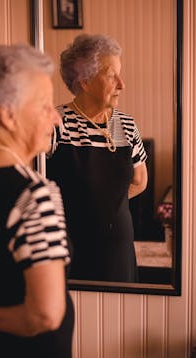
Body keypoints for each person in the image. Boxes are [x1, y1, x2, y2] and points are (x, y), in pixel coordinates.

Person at [0, 43, 74, 357]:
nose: (56, 118)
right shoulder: (34, 194)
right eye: (45, 105)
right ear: (7, 115)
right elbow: (46, 315)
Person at [46, 34, 148, 283]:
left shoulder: (126, 124)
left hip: (119, 253)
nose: (122, 84)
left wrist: (105, 205)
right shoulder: (56, 124)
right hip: (72, 250)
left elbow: (140, 180)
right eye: (112, 75)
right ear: (85, 81)